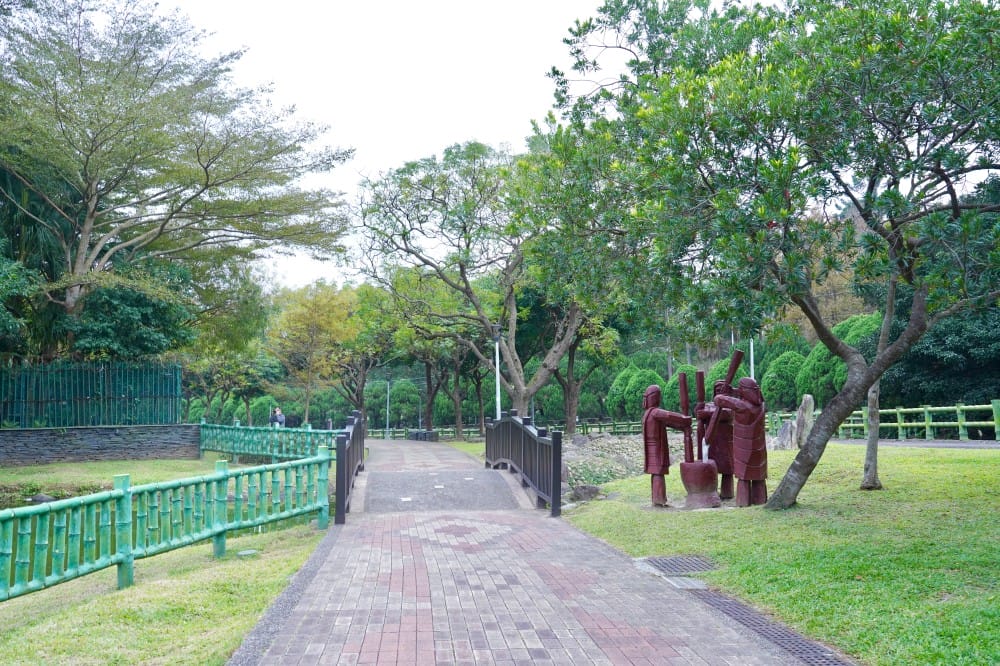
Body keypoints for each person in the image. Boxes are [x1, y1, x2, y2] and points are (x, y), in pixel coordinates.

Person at [713, 377, 767, 506]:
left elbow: (718, 400)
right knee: (758, 476)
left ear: (745, 391)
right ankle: (760, 499)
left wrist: (723, 393)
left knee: (743, 477)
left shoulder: (742, 406)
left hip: (744, 447)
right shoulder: (761, 406)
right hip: (759, 448)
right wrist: (734, 390)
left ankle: (743, 502)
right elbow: (747, 395)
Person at [641, 385, 692, 507]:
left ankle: (657, 498)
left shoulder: (647, 414)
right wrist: (685, 419)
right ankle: (659, 499)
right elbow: (670, 416)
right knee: (658, 473)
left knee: (656, 473)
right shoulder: (655, 412)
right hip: (658, 449)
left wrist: (682, 428)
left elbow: (667, 422)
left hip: (650, 449)